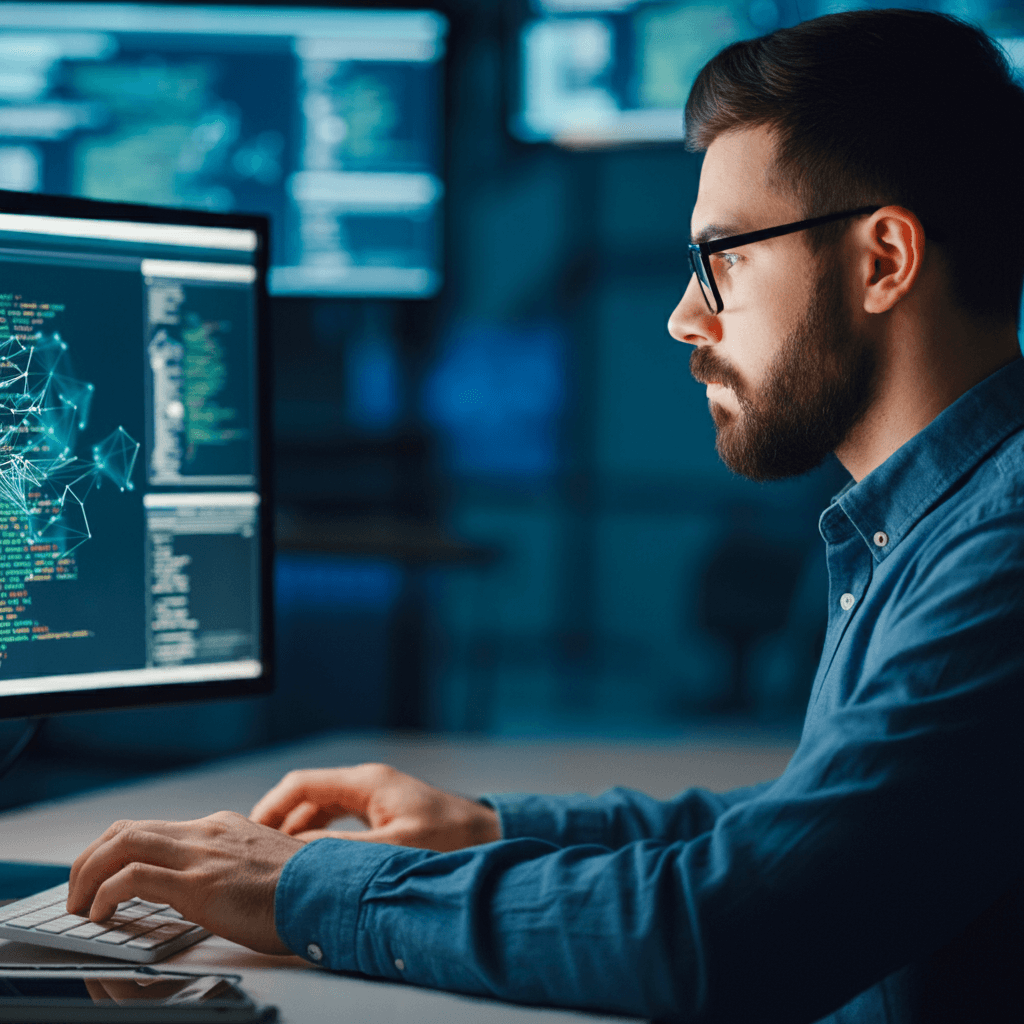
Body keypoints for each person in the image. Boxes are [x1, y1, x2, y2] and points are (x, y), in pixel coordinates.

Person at [66, 9, 1023, 1023]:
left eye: (724, 259)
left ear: (883, 259)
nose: (684, 316)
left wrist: (304, 888)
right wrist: (483, 827)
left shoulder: (1000, 550)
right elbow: (816, 832)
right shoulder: (936, 525)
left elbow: (739, 921)